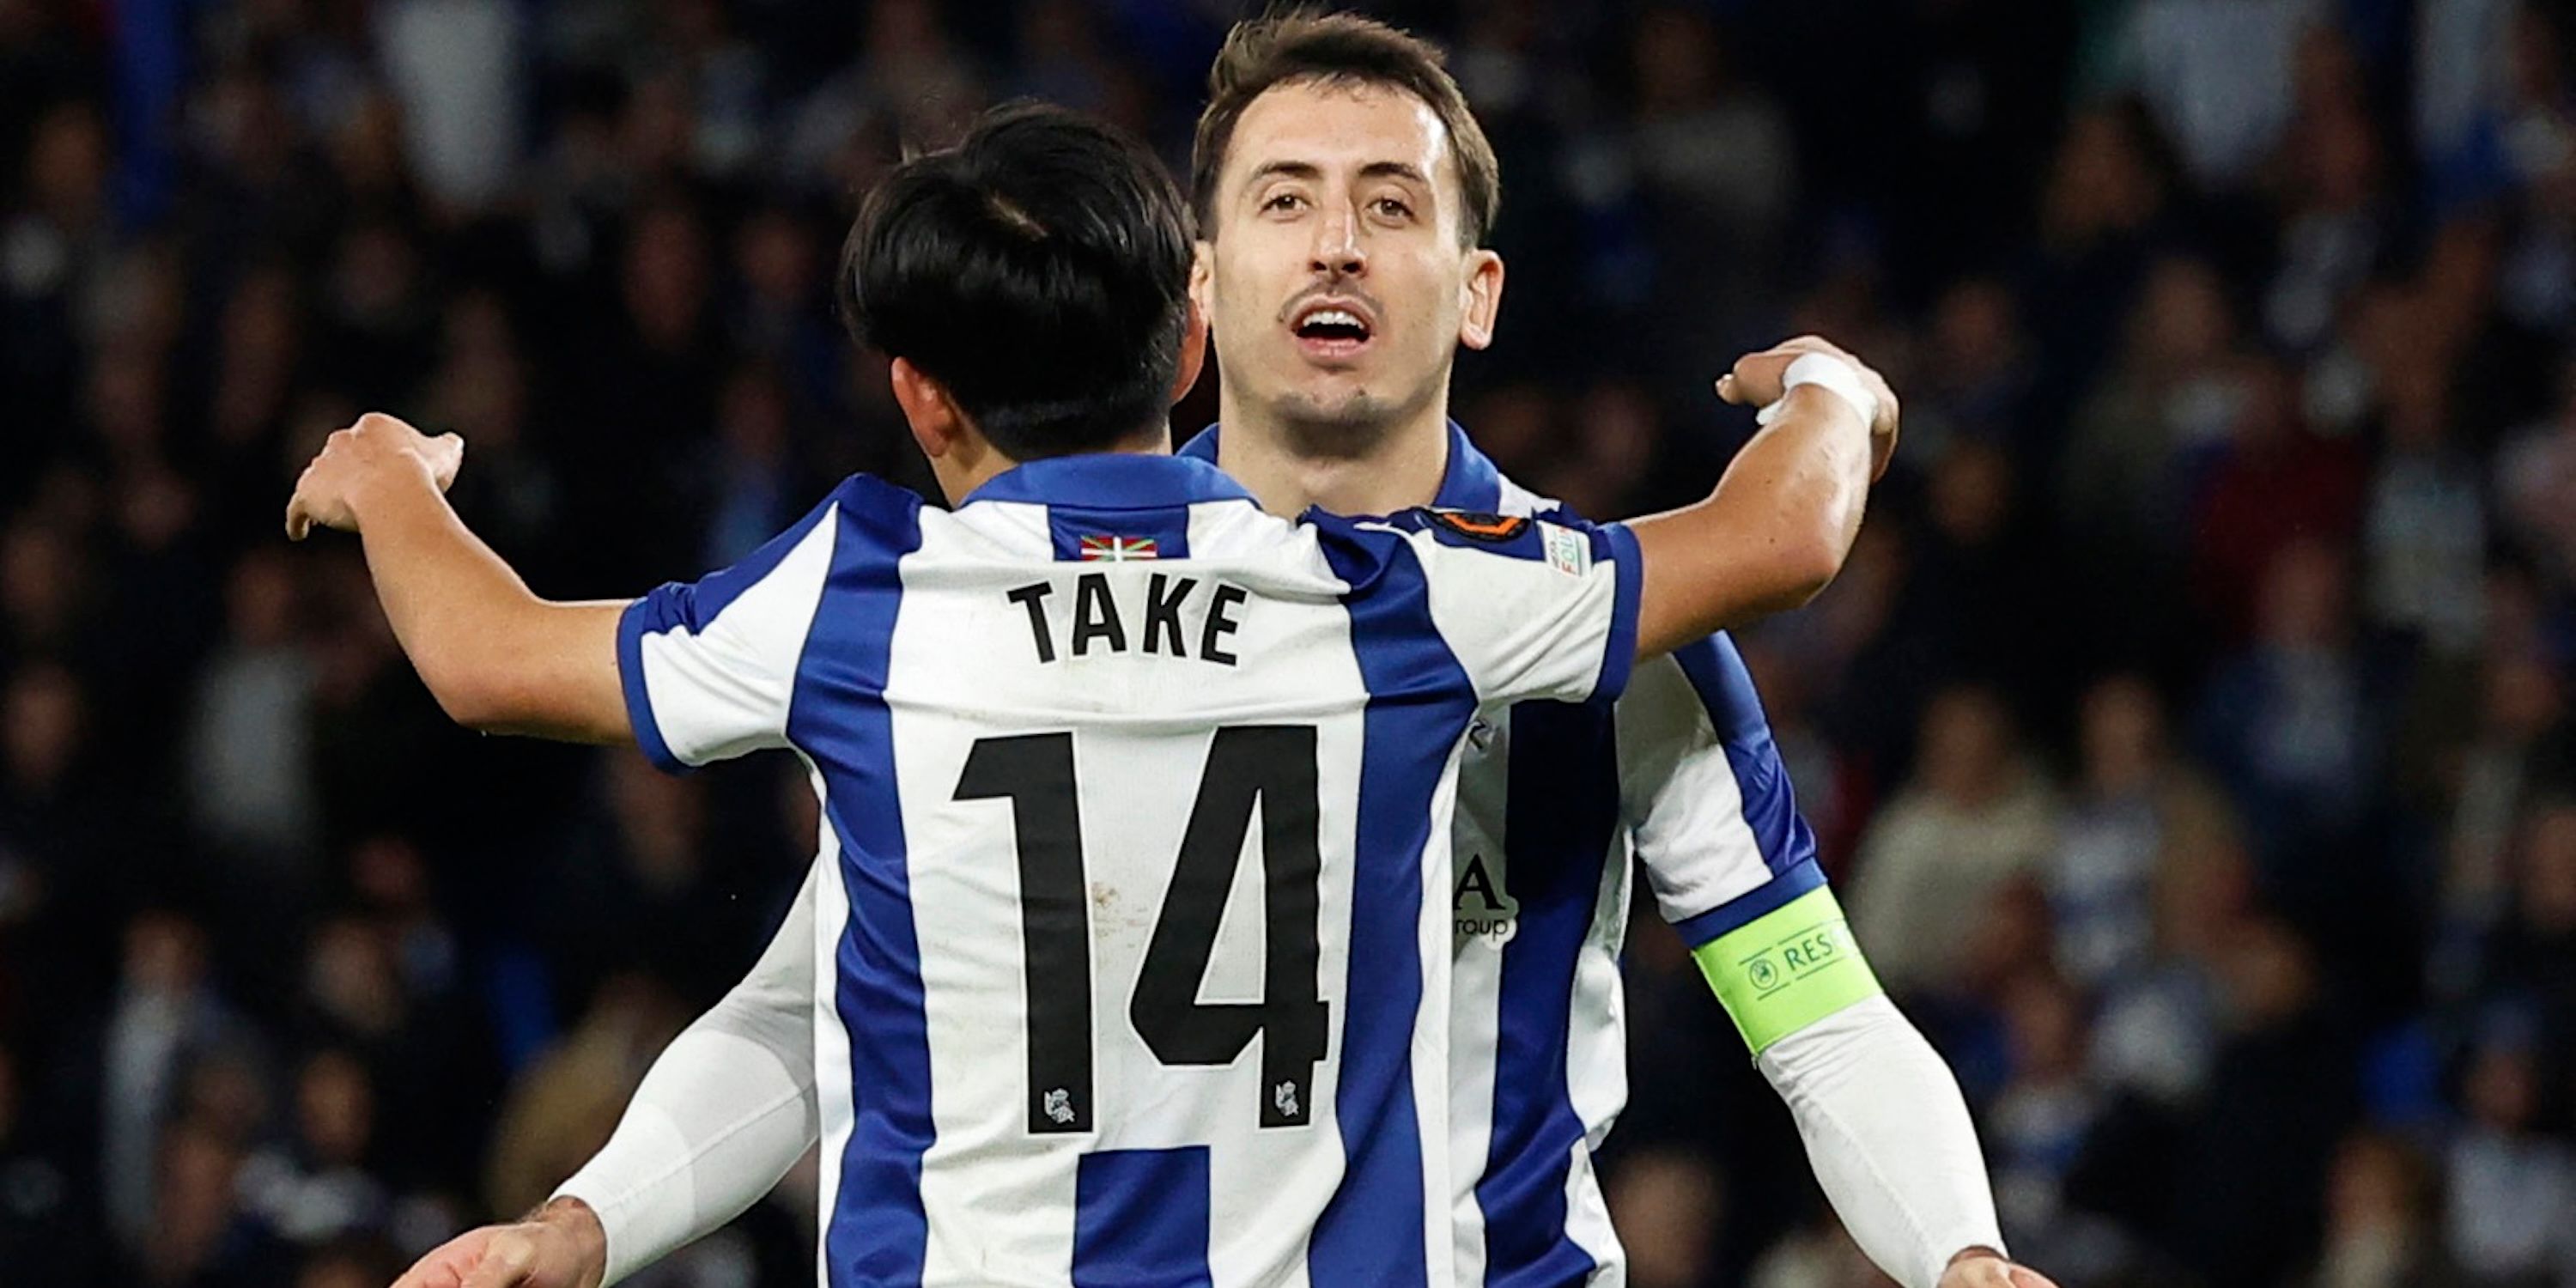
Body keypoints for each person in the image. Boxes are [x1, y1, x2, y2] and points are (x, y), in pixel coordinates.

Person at [404, 15, 2049, 1288]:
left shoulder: (1617, 644)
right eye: (1286, 199)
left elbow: (1813, 1010)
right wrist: (591, 1218)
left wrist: (1958, 1249)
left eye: (1388, 205)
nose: (1335, 243)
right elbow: (796, 1017)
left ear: (1475, 292)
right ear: (1200, 284)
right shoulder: (997, 611)